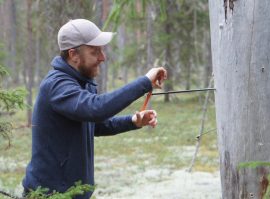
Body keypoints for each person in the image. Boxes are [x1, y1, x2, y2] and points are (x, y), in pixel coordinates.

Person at [22, 19, 167, 199]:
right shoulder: (57, 85)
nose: (102, 57)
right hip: (48, 195)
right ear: (73, 54)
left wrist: (133, 121)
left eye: (102, 50)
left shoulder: (82, 83)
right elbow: (96, 109)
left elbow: (95, 124)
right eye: (95, 51)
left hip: (73, 194)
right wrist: (144, 83)